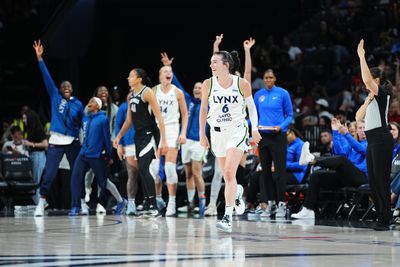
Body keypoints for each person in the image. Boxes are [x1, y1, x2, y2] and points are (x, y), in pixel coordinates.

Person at [199, 50, 261, 232]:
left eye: (214, 62)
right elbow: (203, 109)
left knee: (227, 172)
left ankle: (227, 217)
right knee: (230, 177)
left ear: (226, 64)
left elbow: (251, 108)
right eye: (211, 62)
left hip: (237, 130)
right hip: (217, 133)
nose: (211, 65)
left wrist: (255, 130)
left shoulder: (241, 83)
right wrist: (203, 135)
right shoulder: (207, 84)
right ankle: (237, 192)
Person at [32, 40, 84, 217]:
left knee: (77, 174)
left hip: (72, 142)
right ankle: (42, 202)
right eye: (63, 87)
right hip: (56, 141)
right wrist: (40, 59)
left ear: (72, 89)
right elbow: (47, 77)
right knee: (49, 173)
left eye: (69, 86)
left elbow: (83, 123)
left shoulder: (78, 104)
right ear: (60, 90)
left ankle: (79, 204)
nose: (66, 88)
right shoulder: (55, 96)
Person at [113, 68, 167, 217]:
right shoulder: (131, 95)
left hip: (150, 134)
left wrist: (164, 141)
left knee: (144, 169)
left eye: (131, 76)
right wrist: (118, 137)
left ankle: (153, 205)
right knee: (142, 171)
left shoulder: (147, 92)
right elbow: (129, 120)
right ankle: (149, 204)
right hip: (138, 137)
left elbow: (159, 118)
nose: (128, 78)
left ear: (139, 78)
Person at [160, 52, 207, 215]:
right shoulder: (188, 100)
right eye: (195, 87)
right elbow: (176, 84)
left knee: (196, 171)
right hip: (186, 142)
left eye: (200, 87)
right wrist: (169, 67)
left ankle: (202, 201)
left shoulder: (208, 104)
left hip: (199, 142)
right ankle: (191, 202)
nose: (197, 89)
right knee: (187, 174)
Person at [292, 119, 368, 219]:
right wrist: (335, 132)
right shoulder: (352, 144)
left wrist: (346, 134)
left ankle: (312, 159)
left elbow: (361, 149)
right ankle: (308, 210)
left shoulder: (372, 143)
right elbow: (339, 153)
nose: (362, 130)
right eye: (360, 128)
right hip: (347, 177)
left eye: (364, 128)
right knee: (316, 175)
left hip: (362, 177)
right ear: (357, 130)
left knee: (342, 160)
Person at [355, 39, 394, 230]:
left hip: (381, 138)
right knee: (372, 179)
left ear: (376, 81)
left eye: (371, 79)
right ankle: (381, 215)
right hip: (372, 140)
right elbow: (357, 116)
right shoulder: (371, 97)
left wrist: (362, 56)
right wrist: (367, 99)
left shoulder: (383, 93)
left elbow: (366, 80)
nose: (366, 82)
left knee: (381, 178)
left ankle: (385, 219)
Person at [254, 69, 293, 218]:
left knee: (279, 172)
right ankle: (270, 203)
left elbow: (289, 115)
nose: (268, 80)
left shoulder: (283, 93)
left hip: (278, 136)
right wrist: (249, 125)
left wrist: (281, 127)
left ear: (275, 79)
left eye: (271, 77)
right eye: (266, 77)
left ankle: (282, 204)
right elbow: (255, 116)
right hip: (263, 136)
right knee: (265, 172)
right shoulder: (258, 95)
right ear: (263, 79)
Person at [150, 65, 188, 217]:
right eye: (165, 71)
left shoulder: (177, 92)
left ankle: (171, 202)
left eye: (170, 71)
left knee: (170, 169)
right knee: (154, 171)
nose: (168, 73)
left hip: (172, 131)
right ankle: (157, 200)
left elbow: (185, 114)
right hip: (156, 131)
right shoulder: (153, 91)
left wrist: (183, 133)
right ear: (159, 75)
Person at [83, 86, 125, 214]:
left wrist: (111, 146)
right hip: (90, 147)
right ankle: (88, 194)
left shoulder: (114, 109)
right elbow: (84, 125)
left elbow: (115, 128)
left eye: (105, 91)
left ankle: (104, 203)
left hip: (105, 147)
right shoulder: (89, 108)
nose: (103, 93)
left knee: (102, 177)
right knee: (89, 174)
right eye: (100, 91)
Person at [69, 97, 112, 216]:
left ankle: (103, 204)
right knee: (75, 177)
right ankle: (76, 206)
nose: (90, 102)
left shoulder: (103, 119)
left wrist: (109, 155)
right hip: (83, 154)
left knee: (102, 181)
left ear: (98, 106)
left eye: (93, 101)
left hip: (96, 155)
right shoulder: (85, 118)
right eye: (89, 100)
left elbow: (106, 138)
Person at [115, 98, 139, 215]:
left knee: (149, 174)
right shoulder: (123, 107)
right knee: (132, 174)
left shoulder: (146, 103)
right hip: (129, 144)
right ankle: (131, 204)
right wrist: (119, 144)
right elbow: (118, 126)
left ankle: (151, 202)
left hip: (146, 142)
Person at [22, 108, 48, 204]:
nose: (24, 121)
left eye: (25, 119)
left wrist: (31, 144)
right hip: (33, 155)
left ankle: (41, 204)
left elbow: (46, 144)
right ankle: (41, 204)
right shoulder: (29, 130)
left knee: (36, 183)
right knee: (34, 182)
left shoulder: (38, 129)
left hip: (38, 156)